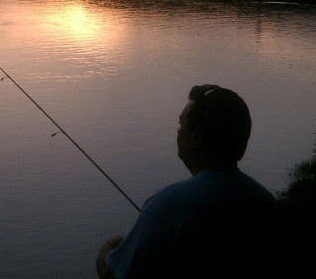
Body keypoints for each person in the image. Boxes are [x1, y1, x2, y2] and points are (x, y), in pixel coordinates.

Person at [96, 85, 280, 279]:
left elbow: (115, 275)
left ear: (196, 136)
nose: (178, 132)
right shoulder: (266, 202)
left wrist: (107, 252)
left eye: (181, 124)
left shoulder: (168, 204)